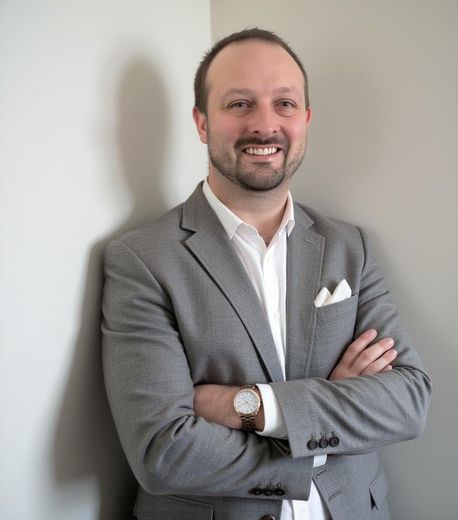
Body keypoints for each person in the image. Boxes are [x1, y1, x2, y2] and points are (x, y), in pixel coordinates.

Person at [102, 28, 432, 520]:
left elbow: (408, 400)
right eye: (239, 104)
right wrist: (327, 424)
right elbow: (163, 452)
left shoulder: (350, 248)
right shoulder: (143, 260)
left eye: (285, 104)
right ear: (201, 122)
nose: (265, 125)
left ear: (305, 120)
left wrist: (253, 407)